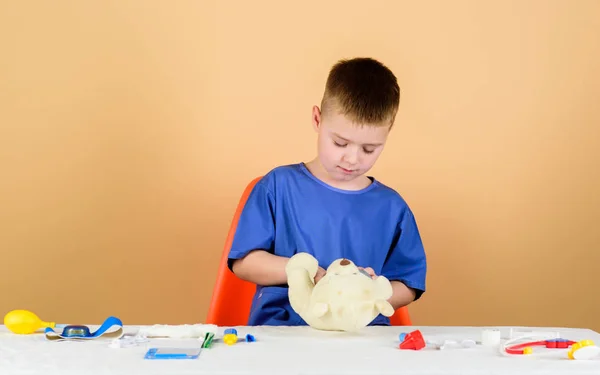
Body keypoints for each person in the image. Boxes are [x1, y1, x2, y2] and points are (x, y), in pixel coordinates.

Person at [227, 57, 427, 326]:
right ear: (317, 120)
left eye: (369, 149)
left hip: (360, 338)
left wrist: (367, 294)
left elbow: (408, 282)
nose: (353, 159)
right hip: (282, 334)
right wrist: (306, 271)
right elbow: (244, 262)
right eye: (340, 142)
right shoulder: (278, 186)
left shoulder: (392, 208)